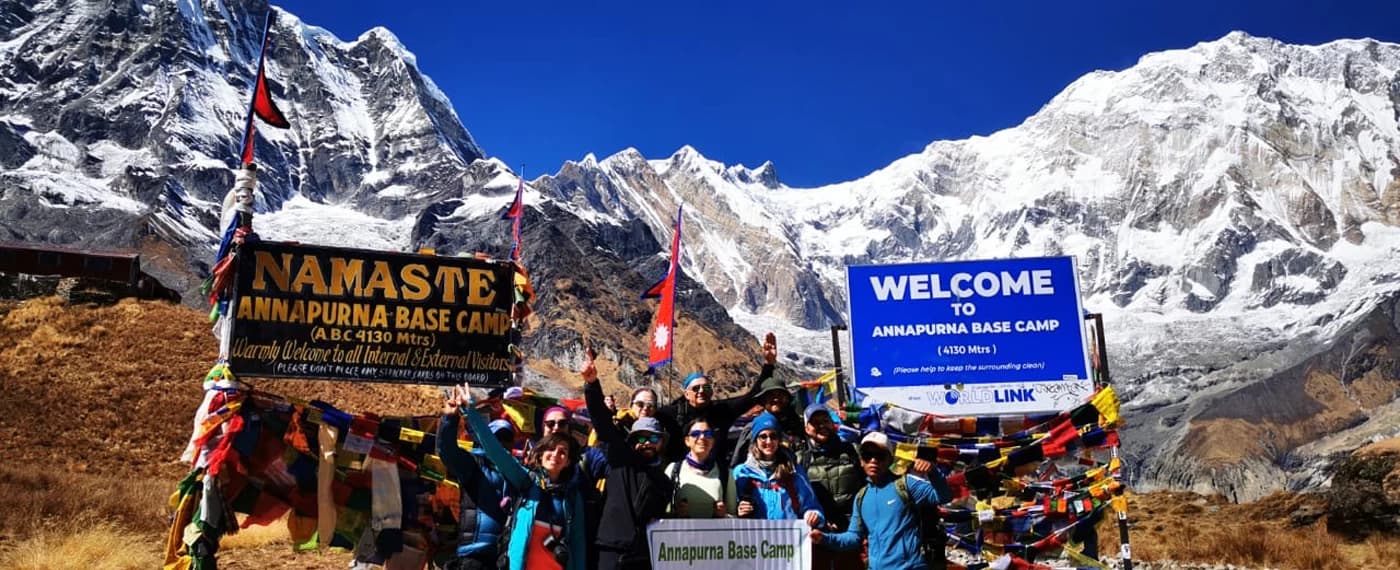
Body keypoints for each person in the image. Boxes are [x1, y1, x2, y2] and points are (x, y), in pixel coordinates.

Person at [450, 384, 589, 570]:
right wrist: (471, 413)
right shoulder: (527, 482)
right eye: (550, 449)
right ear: (539, 455)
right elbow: (496, 452)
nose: (556, 455)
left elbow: (578, 543)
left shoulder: (572, 495)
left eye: (562, 451)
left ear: (569, 461)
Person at [810, 432, 952, 570]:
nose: (873, 461)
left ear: (890, 460)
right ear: (861, 461)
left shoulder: (906, 484)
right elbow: (853, 537)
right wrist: (824, 538)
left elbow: (945, 496)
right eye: (867, 456)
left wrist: (933, 472)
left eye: (879, 456)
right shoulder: (861, 497)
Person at [584, 355, 674, 570]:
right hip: (610, 549)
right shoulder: (620, 459)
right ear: (632, 441)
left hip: (644, 554)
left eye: (652, 438)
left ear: (661, 442)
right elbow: (601, 421)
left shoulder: (664, 482)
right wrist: (591, 385)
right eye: (641, 438)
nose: (647, 444)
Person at [658, 332, 778, 463]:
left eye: (707, 388)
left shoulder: (721, 411)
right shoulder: (673, 413)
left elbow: (752, 397)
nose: (702, 391)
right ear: (686, 394)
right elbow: (646, 418)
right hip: (681, 476)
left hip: (716, 475)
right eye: (696, 388)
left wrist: (769, 365)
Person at [436, 399, 515, 569]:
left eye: (506, 439)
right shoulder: (474, 464)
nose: (501, 443)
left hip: (504, 557)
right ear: (486, 440)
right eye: (496, 438)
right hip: (474, 553)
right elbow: (447, 452)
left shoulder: (516, 472)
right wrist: (449, 419)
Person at [791, 404, 864, 570]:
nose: (822, 426)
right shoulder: (800, 459)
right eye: (815, 423)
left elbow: (866, 487)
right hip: (817, 533)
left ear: (833, 423)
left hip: (852, 531)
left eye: (825, 420)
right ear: (807, 428)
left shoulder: (852, 451)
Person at [732, 411, 824, 528]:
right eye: (763, 436)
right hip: (753, 540)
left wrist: (813, 515)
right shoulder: (741, 472)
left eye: (773, 436)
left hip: (789, 540)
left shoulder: (794, 470)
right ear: (755, 440)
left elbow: (812, 505)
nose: (769, 441)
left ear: (779, 439)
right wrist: (738, 511)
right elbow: (730, 511)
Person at [663, 416, 735, 518]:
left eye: (707, 434)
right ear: (687, 441)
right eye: (695, 434)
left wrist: (724, 516)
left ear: (713, 441)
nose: (702, 437)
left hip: (715, 533)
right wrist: (676, 514)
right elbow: (661, 513)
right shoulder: (673, 470)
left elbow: (734, 516)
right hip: (681, 533)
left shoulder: (726, 474)